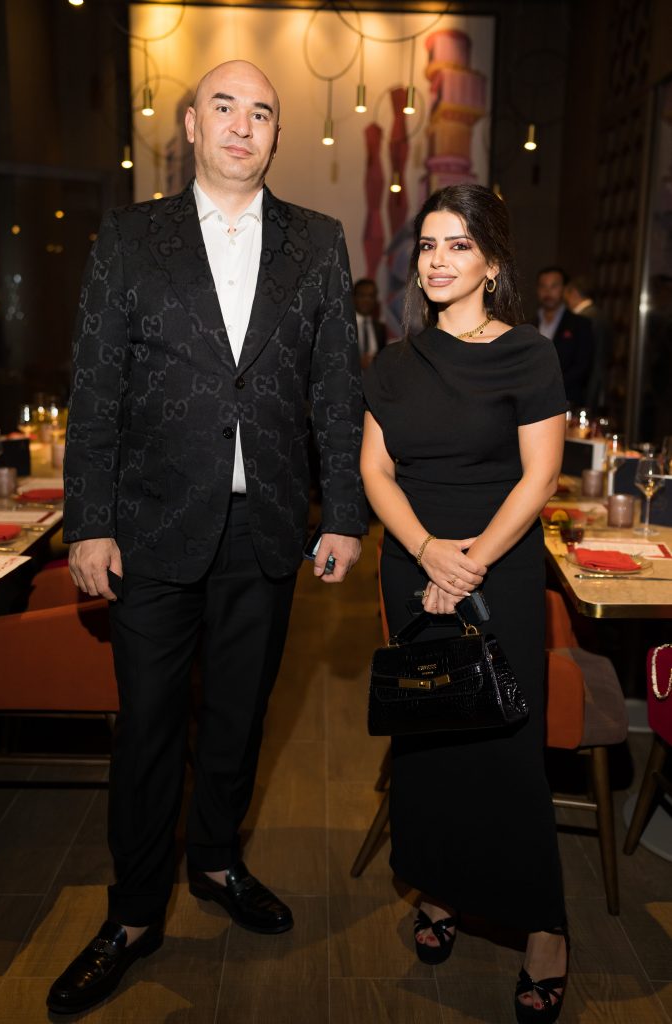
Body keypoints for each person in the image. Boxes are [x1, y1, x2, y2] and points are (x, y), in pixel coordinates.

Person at [48, 60, 367, 1015]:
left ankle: (219, 861)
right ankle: (133, 914)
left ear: (275, 135)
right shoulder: (130, 237)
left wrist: (343, 513)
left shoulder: (318, 241)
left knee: (238, 718)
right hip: (149, 528)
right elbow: (94, 386)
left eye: (260, 112)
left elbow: (335, 391)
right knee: (148, 727)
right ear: (190, 125)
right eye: (223, 106)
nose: (241, 124)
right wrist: (88, 522)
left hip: (264, 528)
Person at [361, 184, 569, 1023]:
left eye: (458, 245)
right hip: (413, 565)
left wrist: (469, 563)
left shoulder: (527, 354)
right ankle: (439, 889)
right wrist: (426, 552)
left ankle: (543, 927)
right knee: (429, 738)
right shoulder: (391, 363)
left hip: (499, 569)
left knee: (506, 745)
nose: (439, 260)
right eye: (427, 245)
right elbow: (374, 470)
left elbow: (540, 477)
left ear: (490, 262)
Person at [534, 265, 593, 406]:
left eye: (554, 286)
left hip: (566, 401)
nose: (548, 292)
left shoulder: (580, 325)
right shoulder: (528, 325)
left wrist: (550, 386)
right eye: (543, 286)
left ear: (565, 289)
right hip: (532, 401)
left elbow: (582, 367)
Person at [563, 274, 613, 410]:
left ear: (573, 292)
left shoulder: (584, 318)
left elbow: (590, 358)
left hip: (588, 383)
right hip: (596, 379)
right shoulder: (598, 314)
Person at [353, 277, 388, 368]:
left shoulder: (380, 328)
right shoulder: (345, 326)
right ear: (353, 297)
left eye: (371, 296)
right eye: (362, 295)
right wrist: (357, 363)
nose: (367, 300)